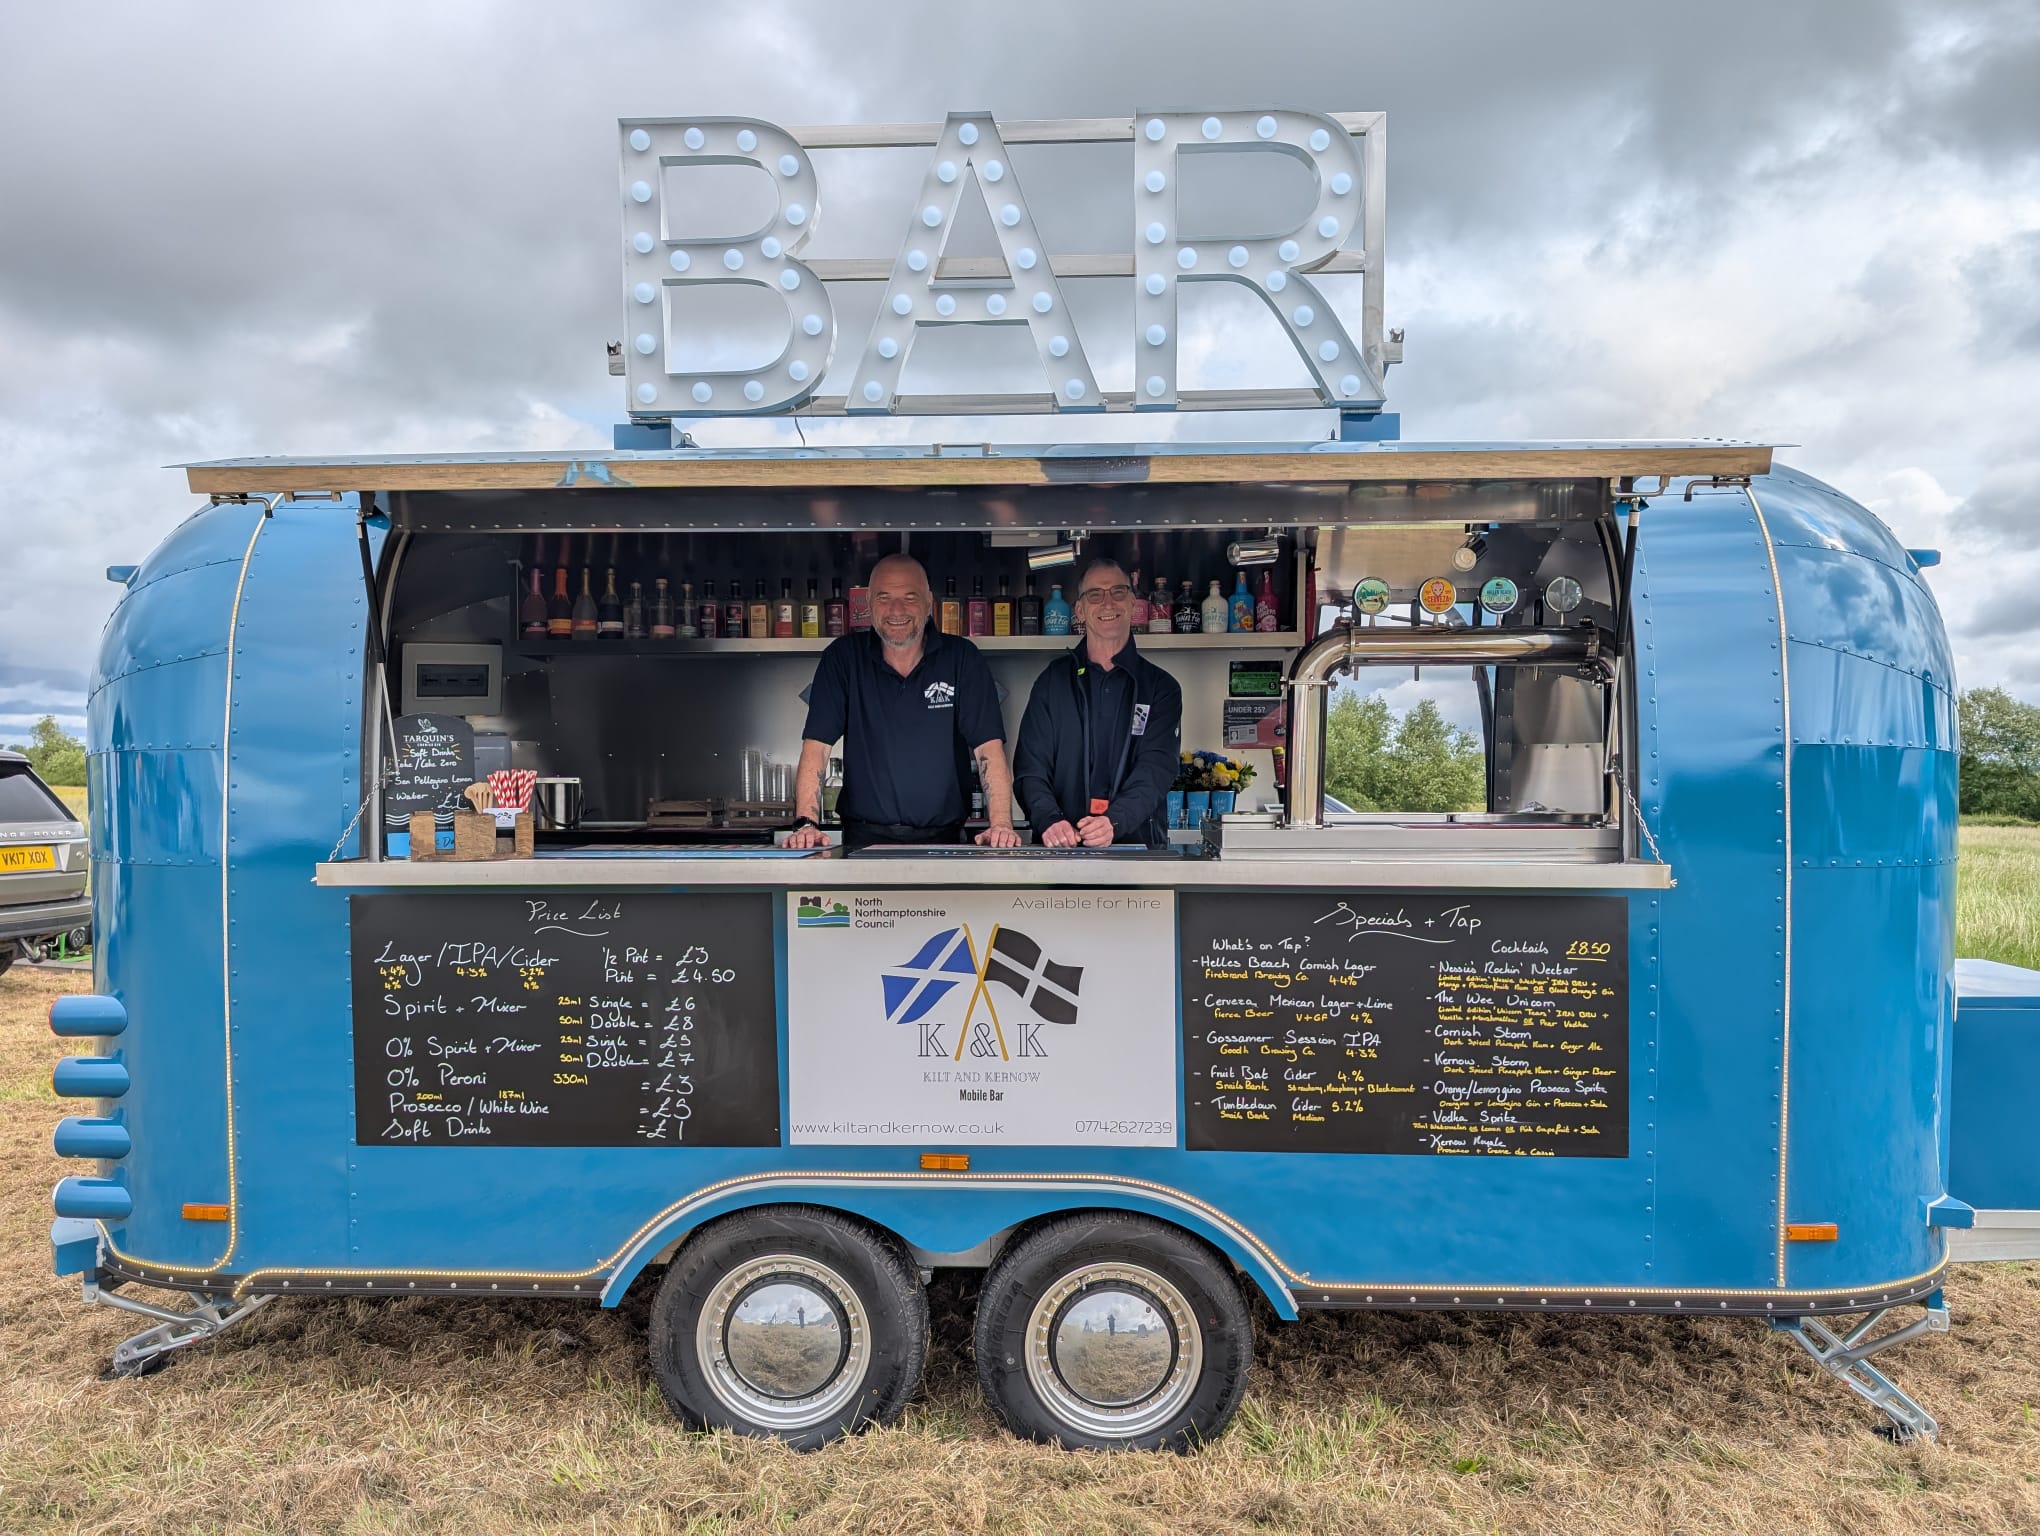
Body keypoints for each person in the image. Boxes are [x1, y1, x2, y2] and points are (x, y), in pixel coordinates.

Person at [784, 553, 1021, 850]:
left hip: (946, 843)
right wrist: (807, 823)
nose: (896, 610)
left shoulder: (962, 658)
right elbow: (816, 747)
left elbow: (988, 747)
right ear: (868, 603)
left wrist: (1000, 824)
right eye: (884, 598)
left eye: (910, 597)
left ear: (929, 602)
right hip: (862, 843)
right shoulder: (843, 658)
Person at [1013, 555, 1183, 848]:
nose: (1108, 603)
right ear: (1079, 609)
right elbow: (1031, 768)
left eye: (1118, 592)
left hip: (1136, 852)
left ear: (1133, 603)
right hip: (1061, 852)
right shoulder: (1051, 682)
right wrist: (1049, 820)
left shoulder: (1160, 688)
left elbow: (1155, 770)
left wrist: (1113, 822)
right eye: (1095, 595)